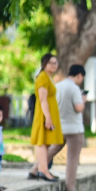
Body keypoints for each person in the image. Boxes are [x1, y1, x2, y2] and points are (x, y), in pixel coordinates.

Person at [29, 65, 87, 191]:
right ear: (79, 75)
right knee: (72, 159)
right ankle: (70, 188)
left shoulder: (58, 86)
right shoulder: (75, 89)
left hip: (60, 127)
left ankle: (34, 169)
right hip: (74, 129)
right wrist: (83, 102)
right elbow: (78, 108)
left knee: (51, 151)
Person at [29, 53, 63, 182]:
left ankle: (43, 169)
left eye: (55, 63)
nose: (54, 65)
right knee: (42, 143)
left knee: (46, 142)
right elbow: (42, 100)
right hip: (43, 114)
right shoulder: (42, 77)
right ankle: (43, 170)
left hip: (49, 114)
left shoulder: (49, 77)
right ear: (44, 64)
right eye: (51, 63)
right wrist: (47, 118)